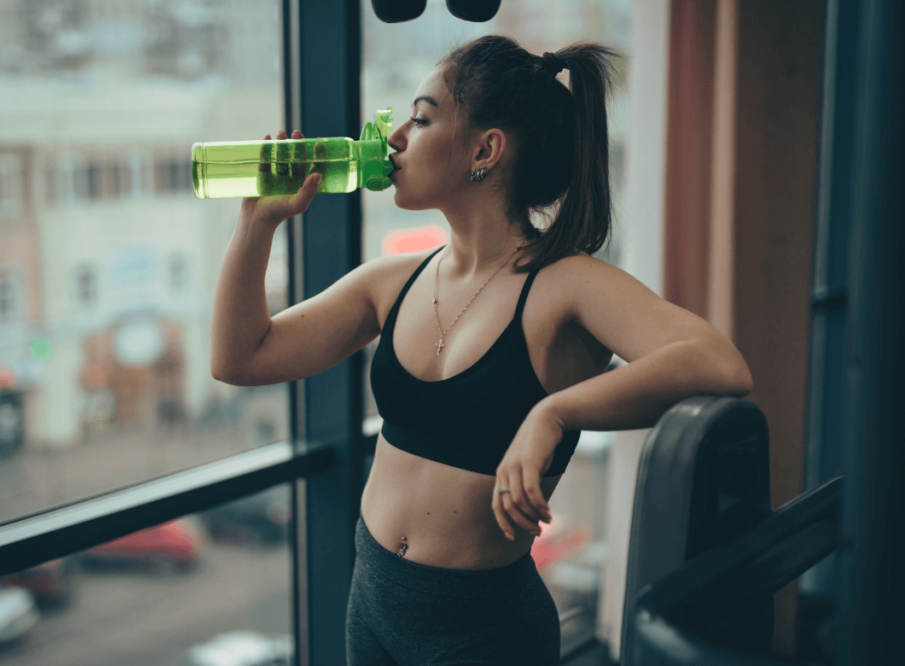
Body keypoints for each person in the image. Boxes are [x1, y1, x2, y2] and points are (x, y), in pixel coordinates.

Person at [211, 35, 753, 666]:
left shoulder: (567, 285)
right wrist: (257, 226)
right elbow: (241, 358)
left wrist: (554, 413)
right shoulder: (391, 282)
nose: (395, 139)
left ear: (486, 150)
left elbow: (720, 364)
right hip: (372, 598)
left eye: (421, 117)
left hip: (485, 634)